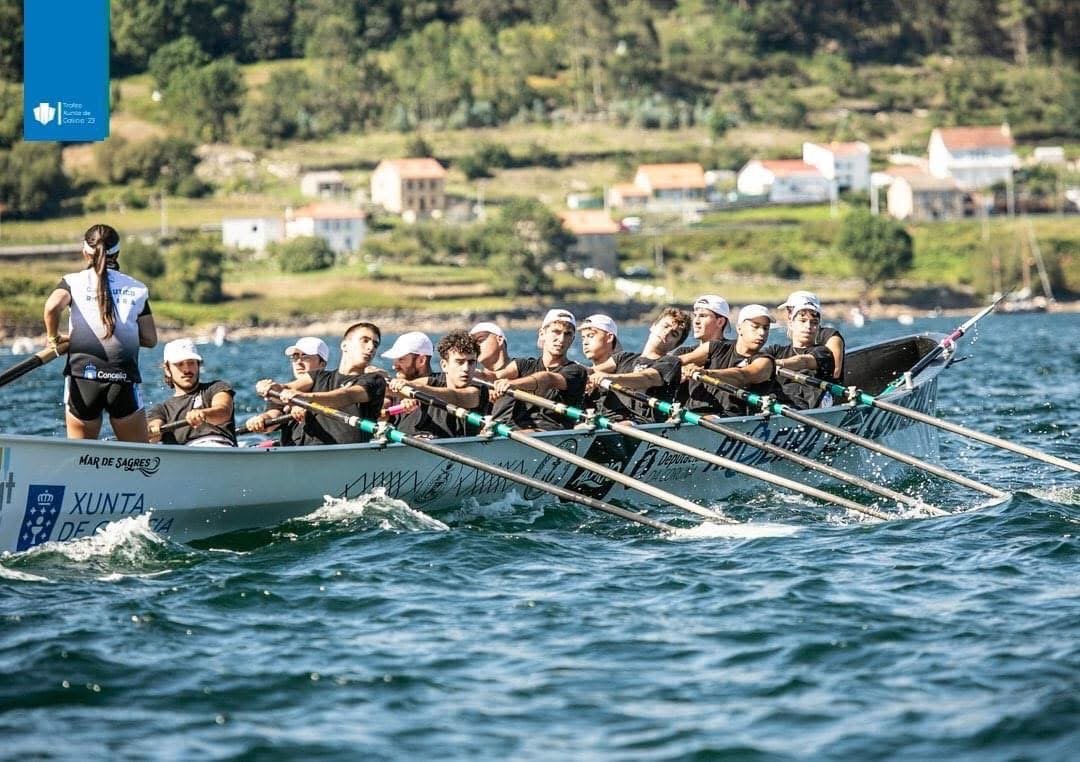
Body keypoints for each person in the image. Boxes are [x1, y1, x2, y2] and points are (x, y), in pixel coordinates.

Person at [42, 224, 157, 442]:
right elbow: (150, 339)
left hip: (83, 379)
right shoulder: (137, 288)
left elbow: (51, 307)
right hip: (122, 379)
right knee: (137, 461)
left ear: (85, 252)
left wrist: (54, 339)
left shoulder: (72, 282)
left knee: (81, 460)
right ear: (118, 253)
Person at [255, 322, 386, 446]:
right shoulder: (317, 376)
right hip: (303, 455)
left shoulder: (375, 380)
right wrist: (270, 387)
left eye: (375, 344)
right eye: (365, 340)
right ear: (345, 345)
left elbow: (345, 396)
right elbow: (288, 388)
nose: (371, 348)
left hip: (346, 455)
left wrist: (305, 398)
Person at [581, 309, 690, 423]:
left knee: (623, 426)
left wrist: (608, 377)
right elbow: (591, 370)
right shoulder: (623, 357)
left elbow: (647, 378)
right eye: (665, 326)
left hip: (641, 425)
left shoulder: (671, 363)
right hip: (608, 421)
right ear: (653, 326)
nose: (667, 333)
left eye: (674, 334)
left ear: (676, 345)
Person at [491, 308, 587, 431]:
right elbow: (494, 376)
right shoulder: (523, 365)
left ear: (572, 339)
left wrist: (510, 384)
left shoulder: (576, 371)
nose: (561, 339)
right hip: (516, 428)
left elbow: (546, 379)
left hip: (551, 430)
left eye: (567, 334)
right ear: (542, 334)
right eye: (556, 332)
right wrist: (492, 385)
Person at [678, 304, 783, 417]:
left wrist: (707, 373)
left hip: (730, 419)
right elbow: (679, 361)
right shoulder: (715, 347)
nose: (762, 333)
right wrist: (680, 368)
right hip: (691, 415)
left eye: (765, 328)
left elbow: (742, 375)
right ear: (739, 328)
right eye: (755, 327)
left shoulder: (765, 361)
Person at [390, 329, 490, 438]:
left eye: (471, 362)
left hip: (455, 449)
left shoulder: (478, 390)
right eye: (459, 362)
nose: (466, 368)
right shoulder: (432, 381)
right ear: (444, 365)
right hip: (417, 444)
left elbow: (455, 396)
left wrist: (414, 389)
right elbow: (404, 387)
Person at [147, 339, 237, 447]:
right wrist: (151, 431)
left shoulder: (216, 388)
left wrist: (204, 414)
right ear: (167, 370)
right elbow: (154, 427)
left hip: (222, 448)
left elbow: (223, 411)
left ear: (198, 365)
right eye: (179, 364)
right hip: (185, 455)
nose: (187, 369)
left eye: (191, 363)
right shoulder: (161, 410)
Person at [245, 336, 329, 434]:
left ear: (322, 364)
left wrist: (304, 406)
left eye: (305, 356)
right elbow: (273, 416)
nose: (298, 362)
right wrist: (260, 420)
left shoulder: (329, 384)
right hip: (295, 446)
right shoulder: (281, 394)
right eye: (295, 357)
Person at [765, 297, 836, 410]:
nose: (808, 327)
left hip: (809, 408)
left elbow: (803, 361)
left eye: (814, 323)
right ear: (791, 324)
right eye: (802, 321)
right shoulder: (775, 351)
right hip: (778, 404)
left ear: (818, 328)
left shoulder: (823, 352)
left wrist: (775, 364)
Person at [779, 291, 845, 380]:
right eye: (788, 310)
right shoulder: (779, 350)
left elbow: (836, 373)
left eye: (790, 309)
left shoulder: (830, 336)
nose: (808, 326)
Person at [380, 331, 434, 420]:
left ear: (421, 360)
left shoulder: (442, 383)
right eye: (395, 360)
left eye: (401, 360)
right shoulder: (395, 388)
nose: (394, 366)